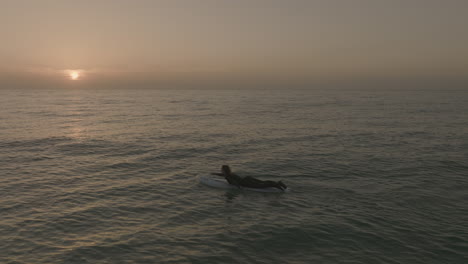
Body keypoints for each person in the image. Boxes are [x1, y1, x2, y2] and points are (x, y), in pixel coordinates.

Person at [211, 165, 287, 191]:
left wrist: (239, 188)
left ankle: (277, 185)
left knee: (262, 185)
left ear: (224, 170)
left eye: (221, 170)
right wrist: (214, 173)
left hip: (246, 183)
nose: (221, 170)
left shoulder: (227, 176)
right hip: (247, 178)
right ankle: (278, 183)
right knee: (263, 182)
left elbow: (234, 182)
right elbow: (223, 175)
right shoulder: (230, 174)